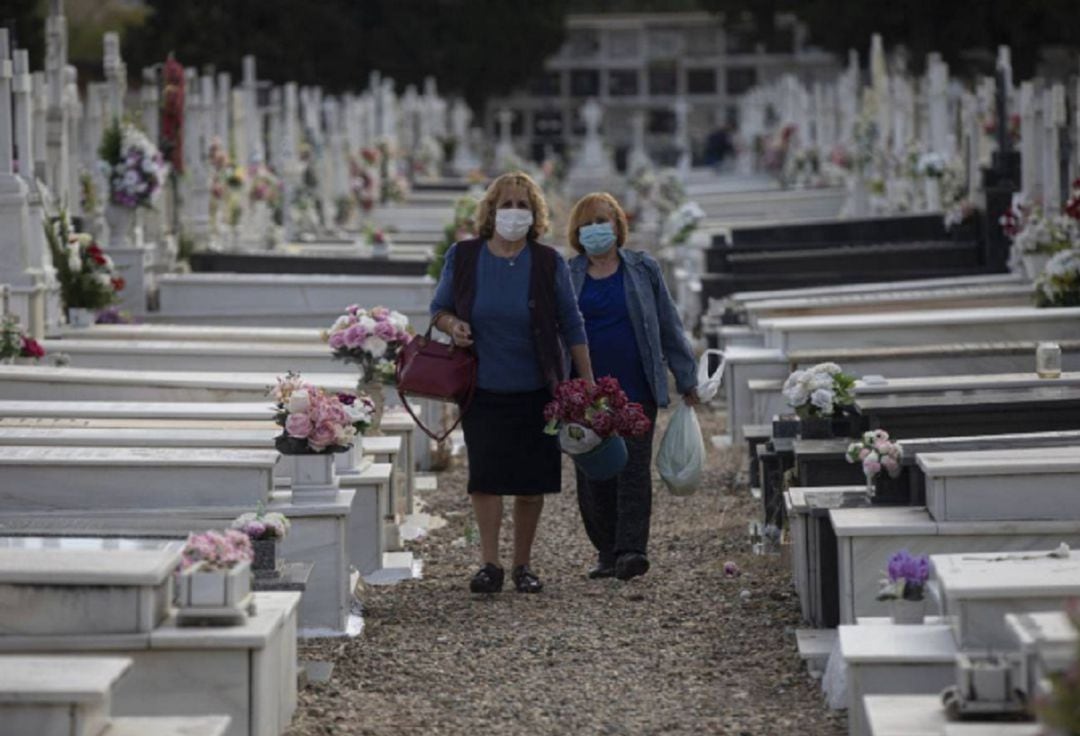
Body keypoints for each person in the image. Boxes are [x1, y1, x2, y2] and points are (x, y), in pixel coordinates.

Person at [430, 172, 594, 594]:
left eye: (523, 206)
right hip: (482, 385)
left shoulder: (547, 261)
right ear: (492, 210)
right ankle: (490, 563)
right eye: (507, 204)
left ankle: (523, 564)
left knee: (530, 481)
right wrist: (454, 325)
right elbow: (439, 309)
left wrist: (586, 383)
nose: (514, 213)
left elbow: (571, 323)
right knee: (485, 477)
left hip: (538, 385)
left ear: (535, 214)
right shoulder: (464, 257)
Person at [566, 192, 698, 581]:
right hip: (586, 391)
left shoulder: (643, 268)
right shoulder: (568, 273)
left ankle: (631, 550)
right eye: (587, 223)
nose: (596, 230)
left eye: (603, 221)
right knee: (594, 472)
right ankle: (606, 549)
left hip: (635, 385)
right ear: (577, 231)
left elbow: (668, 323)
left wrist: (685, 376)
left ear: (618, 226)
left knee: (633, 469)